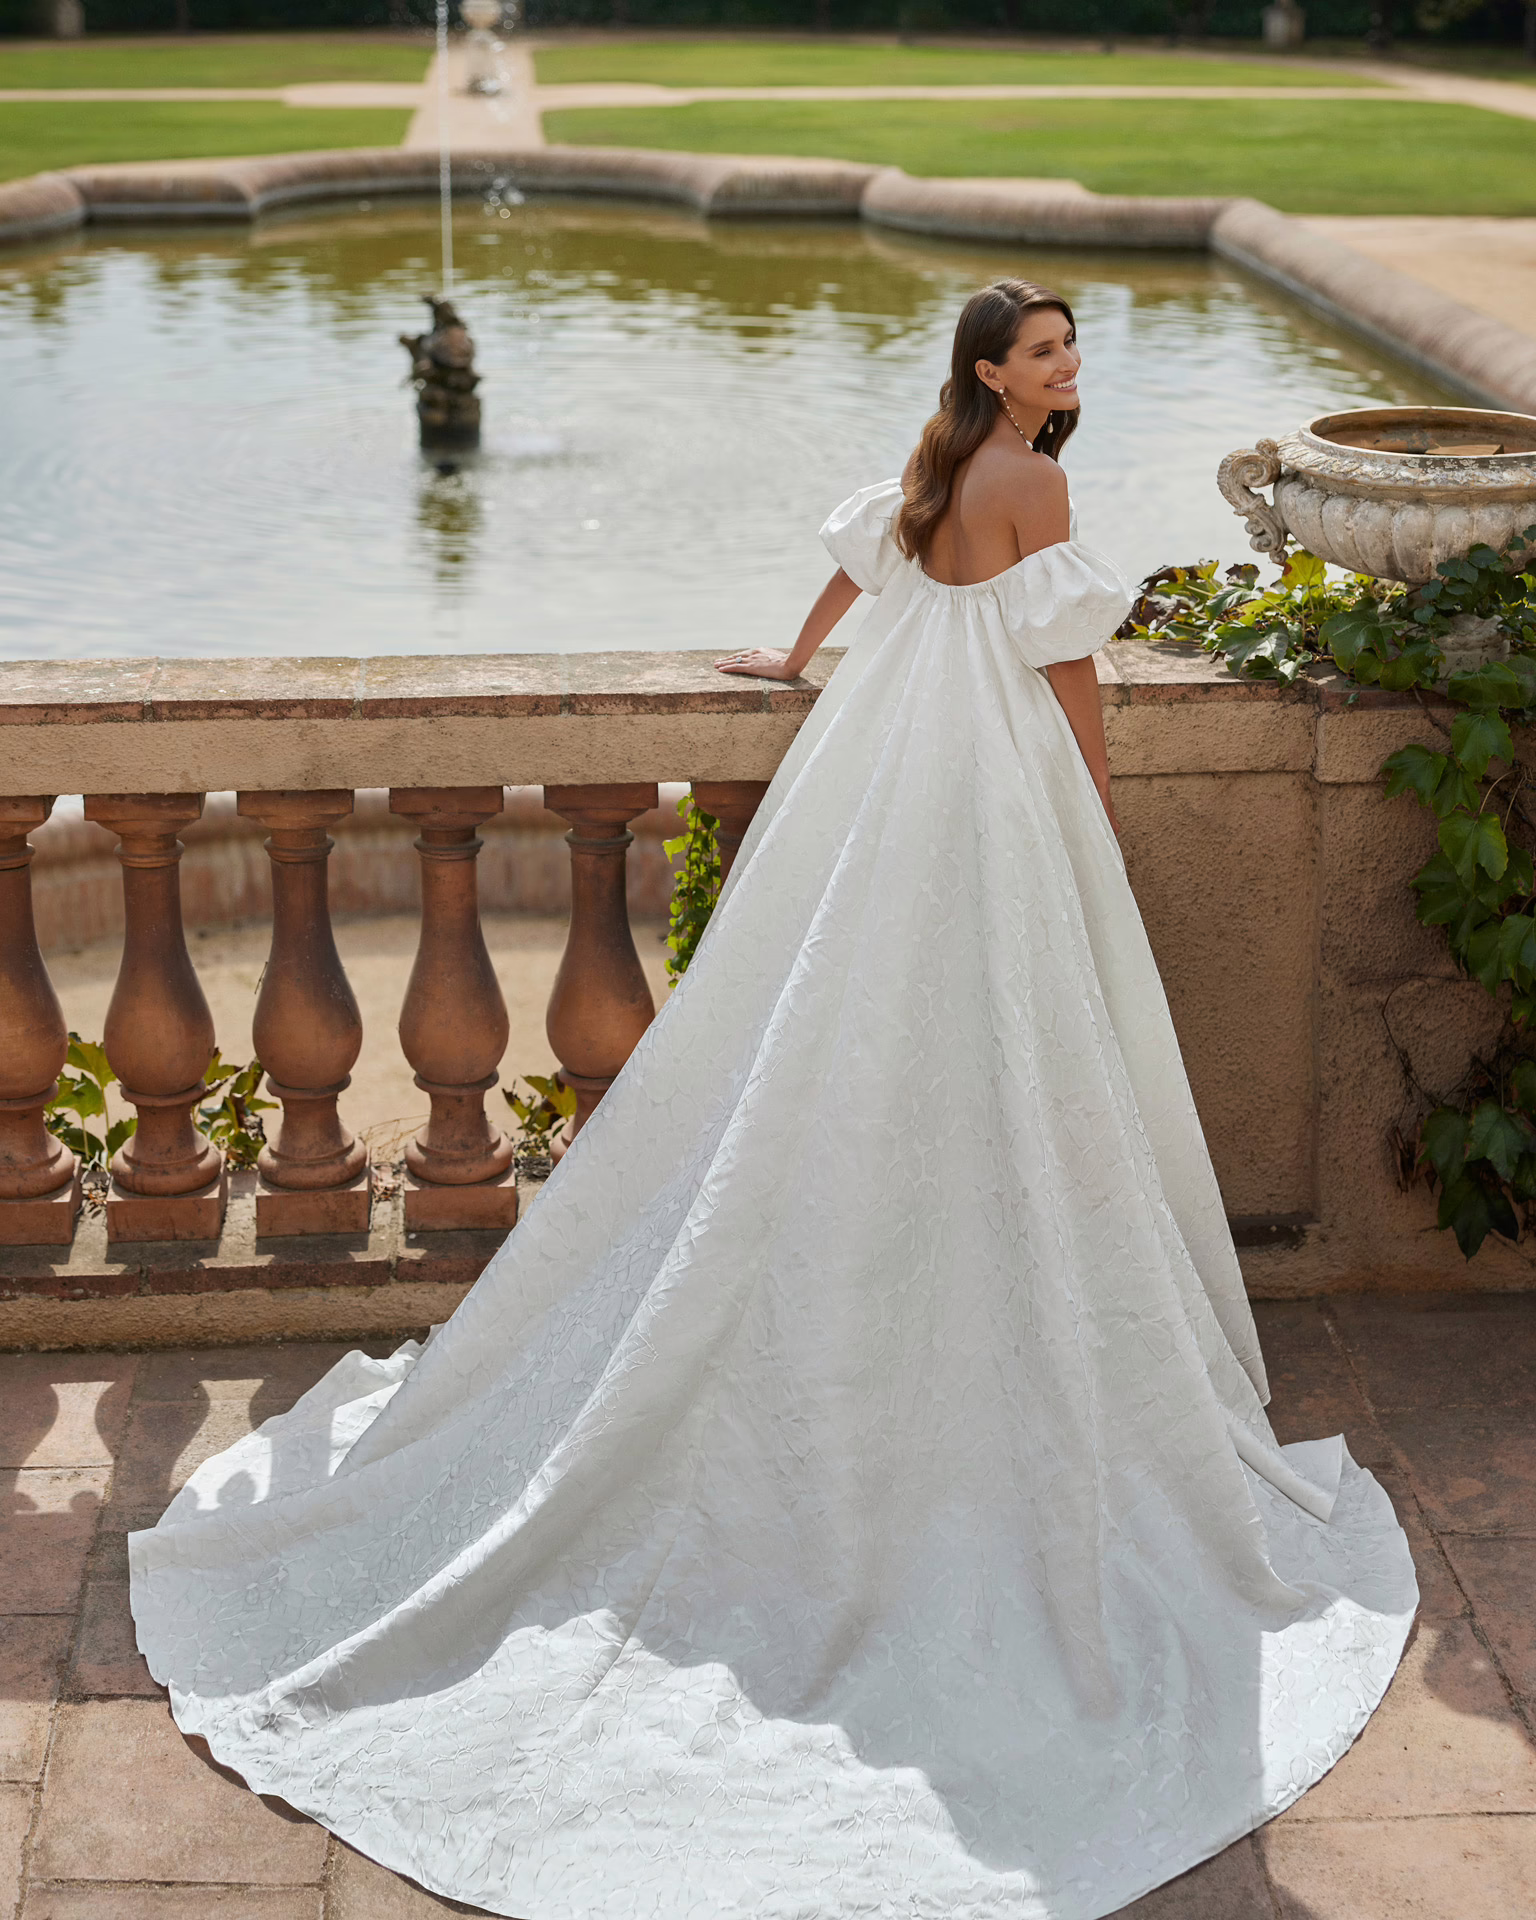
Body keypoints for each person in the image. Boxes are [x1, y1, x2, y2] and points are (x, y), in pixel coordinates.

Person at [130, 279, 1416, 1920]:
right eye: (1044, 351)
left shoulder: (942, 456)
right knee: (993, 1017)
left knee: (828, 1008)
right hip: (983, 766)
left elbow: (865, 565)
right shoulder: (1031, 481)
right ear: (992, 369)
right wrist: (1094, 793)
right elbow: (1064, 659)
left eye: (1067, 349)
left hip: (880, 748)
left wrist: (791, 659)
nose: (1066, 367)